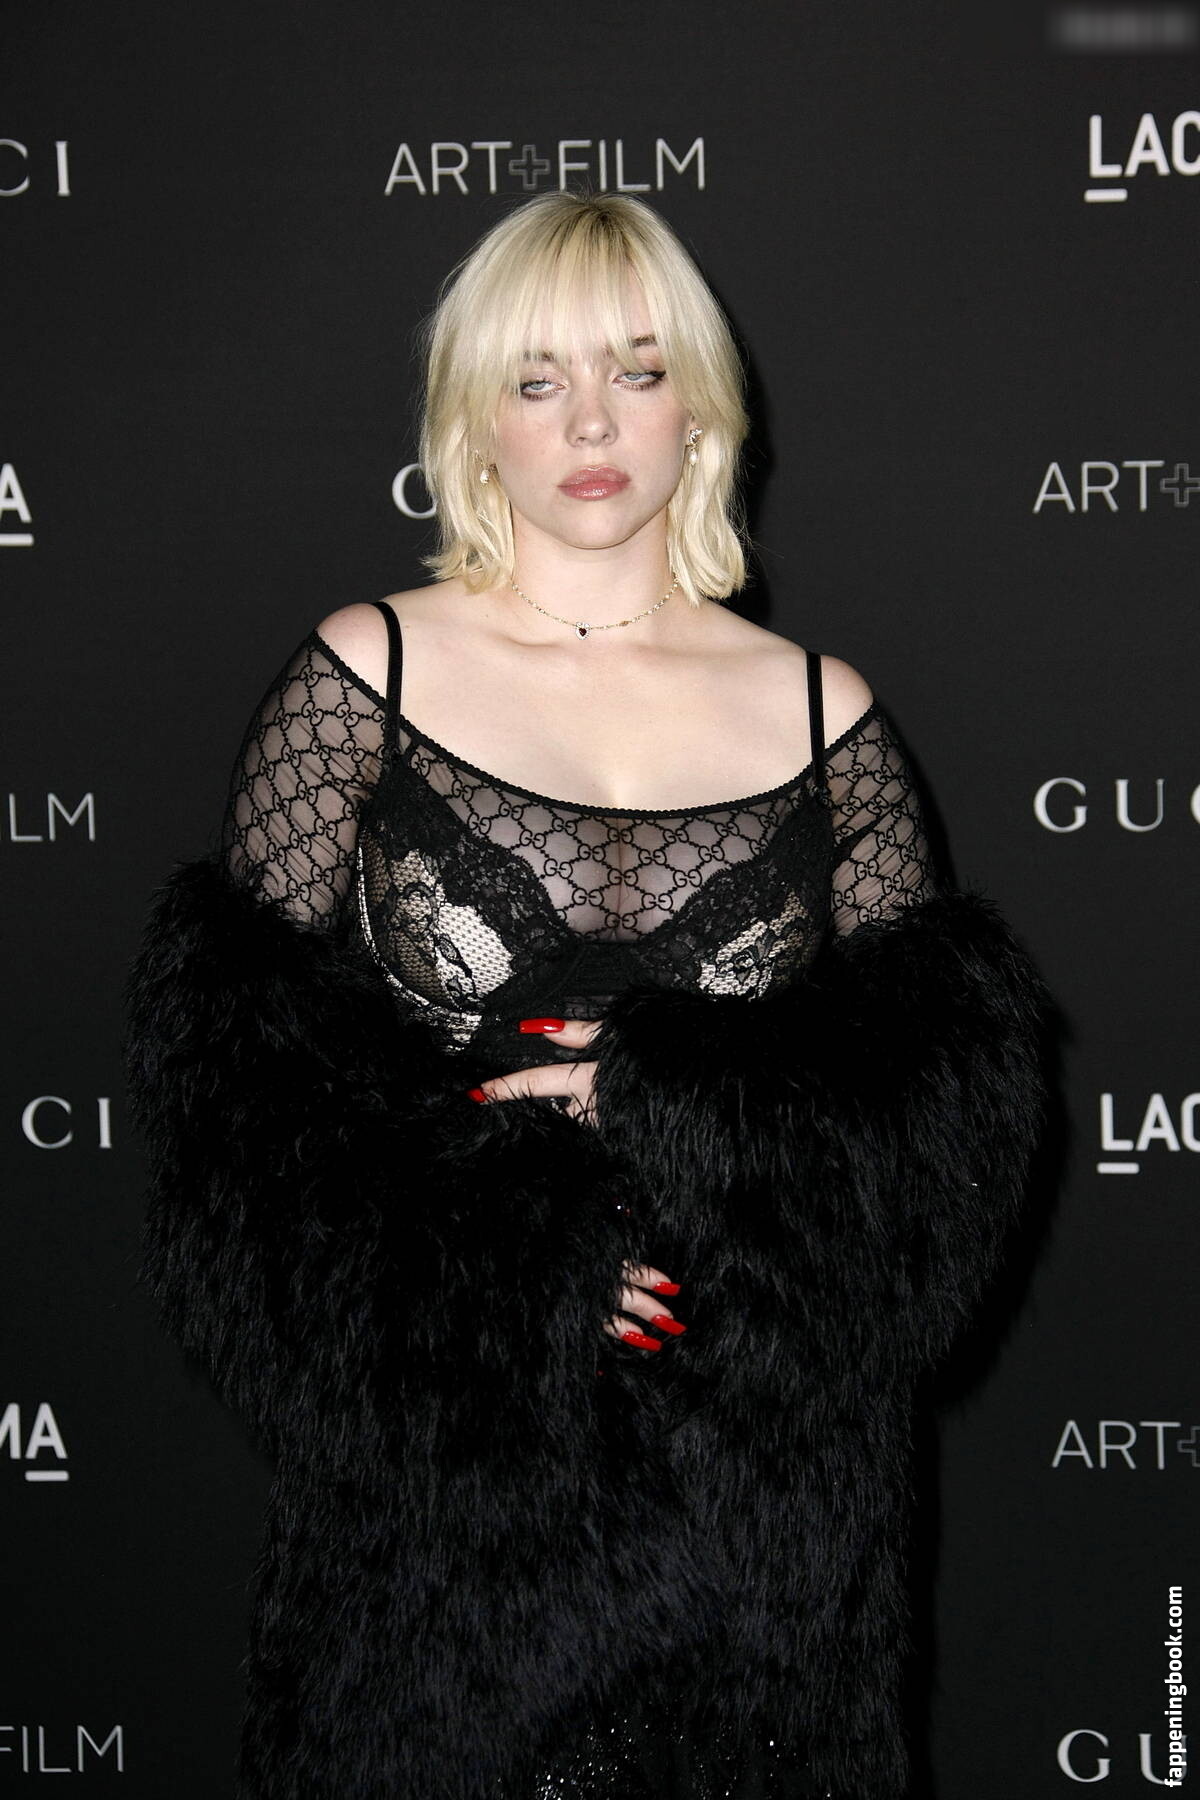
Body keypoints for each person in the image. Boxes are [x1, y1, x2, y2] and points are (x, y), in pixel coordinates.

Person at [122, 191, 1051, 1800]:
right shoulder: (364, 680)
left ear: (702, 405)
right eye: (538, 379)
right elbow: (242, 1125)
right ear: (475, 422)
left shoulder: (823, 717)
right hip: (450, 1525)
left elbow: (928, 1157)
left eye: (638, 369)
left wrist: (678, 1112)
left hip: (762, 1540)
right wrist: (515, 1270)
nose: (594, 423)